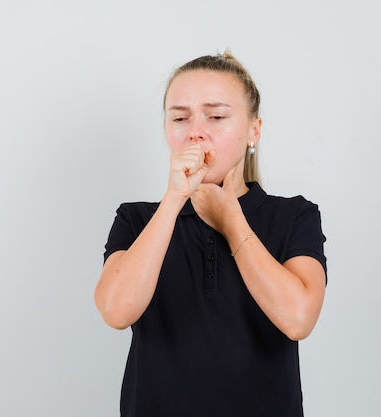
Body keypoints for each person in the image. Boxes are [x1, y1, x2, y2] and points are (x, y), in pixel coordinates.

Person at [94, 51, 327, 417]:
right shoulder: (137, 219)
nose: (195, 131)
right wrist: (173, 200)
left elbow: (298, 319)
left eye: (216, 116)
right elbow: (115, 310)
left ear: (254, 130)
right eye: (180, 117)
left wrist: (232, 222)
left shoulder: (294, 216)